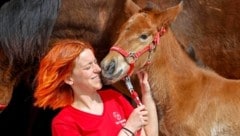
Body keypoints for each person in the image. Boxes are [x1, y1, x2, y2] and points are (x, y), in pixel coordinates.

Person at [34, 39, 158, 136]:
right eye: (88, 67)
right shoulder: (64, 123)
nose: (98, 69)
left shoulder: (114, 97)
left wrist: (146, 93)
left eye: (95, 62)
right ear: (68, 79)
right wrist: (128, 129)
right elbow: (131, 128)